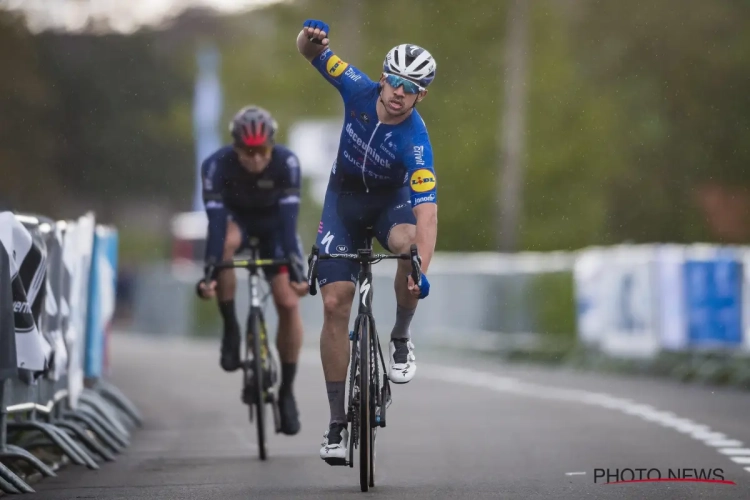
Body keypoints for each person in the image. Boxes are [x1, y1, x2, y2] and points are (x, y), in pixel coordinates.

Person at [296, 20, 438, 461]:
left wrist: (422, 271)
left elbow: (427, 213)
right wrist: (310, 38)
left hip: (387, 208)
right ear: (382, 76)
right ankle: (337, 425)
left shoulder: (416, 142)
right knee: (335, 304)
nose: (398, 92)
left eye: (409, 87)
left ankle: (399, 336)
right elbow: (308, 51)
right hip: (343, 204)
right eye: (394, 81)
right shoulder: (355, 86)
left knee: (409, 247)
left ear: (420, 96)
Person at [196, 105, 309, 436]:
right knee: (227, 243)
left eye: (262, 151)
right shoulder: (216, 165)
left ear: (271, 146)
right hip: (237, 226)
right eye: (248, 152)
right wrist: (209, 275)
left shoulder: (286, 163)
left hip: (275, 230)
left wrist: (298, 273)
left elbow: (289, 228)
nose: (257, 160)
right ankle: (231, 329)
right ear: (235, 147)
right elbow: (215, 228)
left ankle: (287, 391)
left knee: (288, 303)